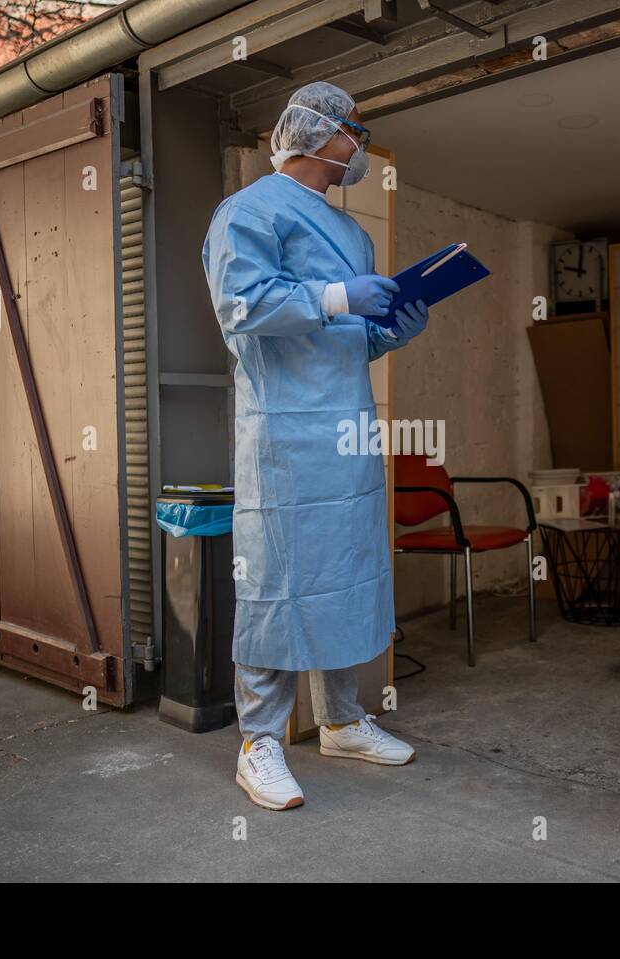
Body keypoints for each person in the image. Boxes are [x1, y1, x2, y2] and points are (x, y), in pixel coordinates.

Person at [202, 82, 430, 811]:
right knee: (276, 578)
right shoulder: (248, 212)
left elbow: (346, 341)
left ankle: (340, 720)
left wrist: (390, 324)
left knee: (343, 571)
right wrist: (337, 299)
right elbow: (242, 305)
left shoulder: (353, 234)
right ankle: (259, 741)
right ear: (318, 133)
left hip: (346, 426)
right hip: (284, 433)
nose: (359, 143)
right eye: (354, 130)